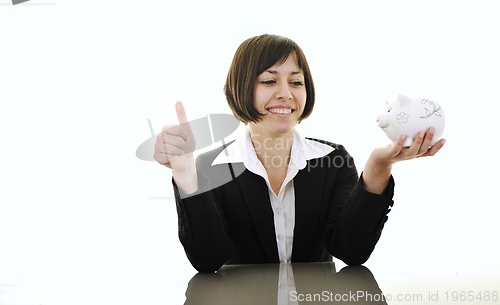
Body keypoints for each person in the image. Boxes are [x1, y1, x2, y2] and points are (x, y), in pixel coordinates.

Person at [154, 34, 445, 273]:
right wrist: (184, 172)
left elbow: (351, 252)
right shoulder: (212, 165)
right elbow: (207, 260)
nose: (286, 93)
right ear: (241, 88)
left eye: (296, 82)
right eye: (269, 81)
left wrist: (379, 167)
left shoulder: (333, 160)